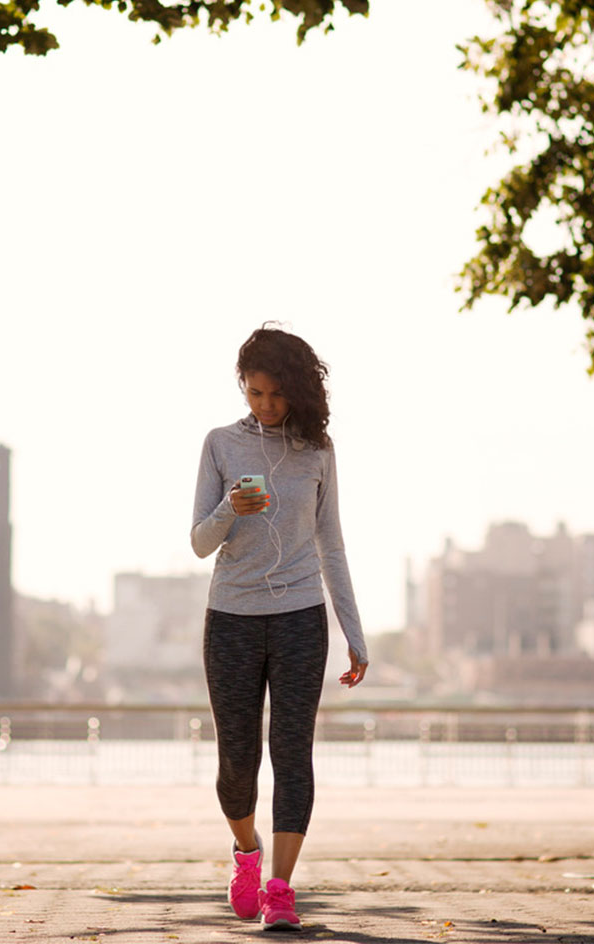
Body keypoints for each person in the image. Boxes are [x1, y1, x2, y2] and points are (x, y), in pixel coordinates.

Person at [190, 324, 369, 932]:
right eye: (254, 392)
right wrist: (228, 509)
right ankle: (247, 854)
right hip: (231, 619)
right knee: (237, 760)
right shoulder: (220, 444)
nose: (265, 404)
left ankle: (280, 889)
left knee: (292, 753)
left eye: (276, 393)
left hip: (300, 617)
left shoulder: (317, 451)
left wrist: (354, 631)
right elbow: (199, 543)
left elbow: (331, 544)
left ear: (297, 389)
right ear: (242, 387)